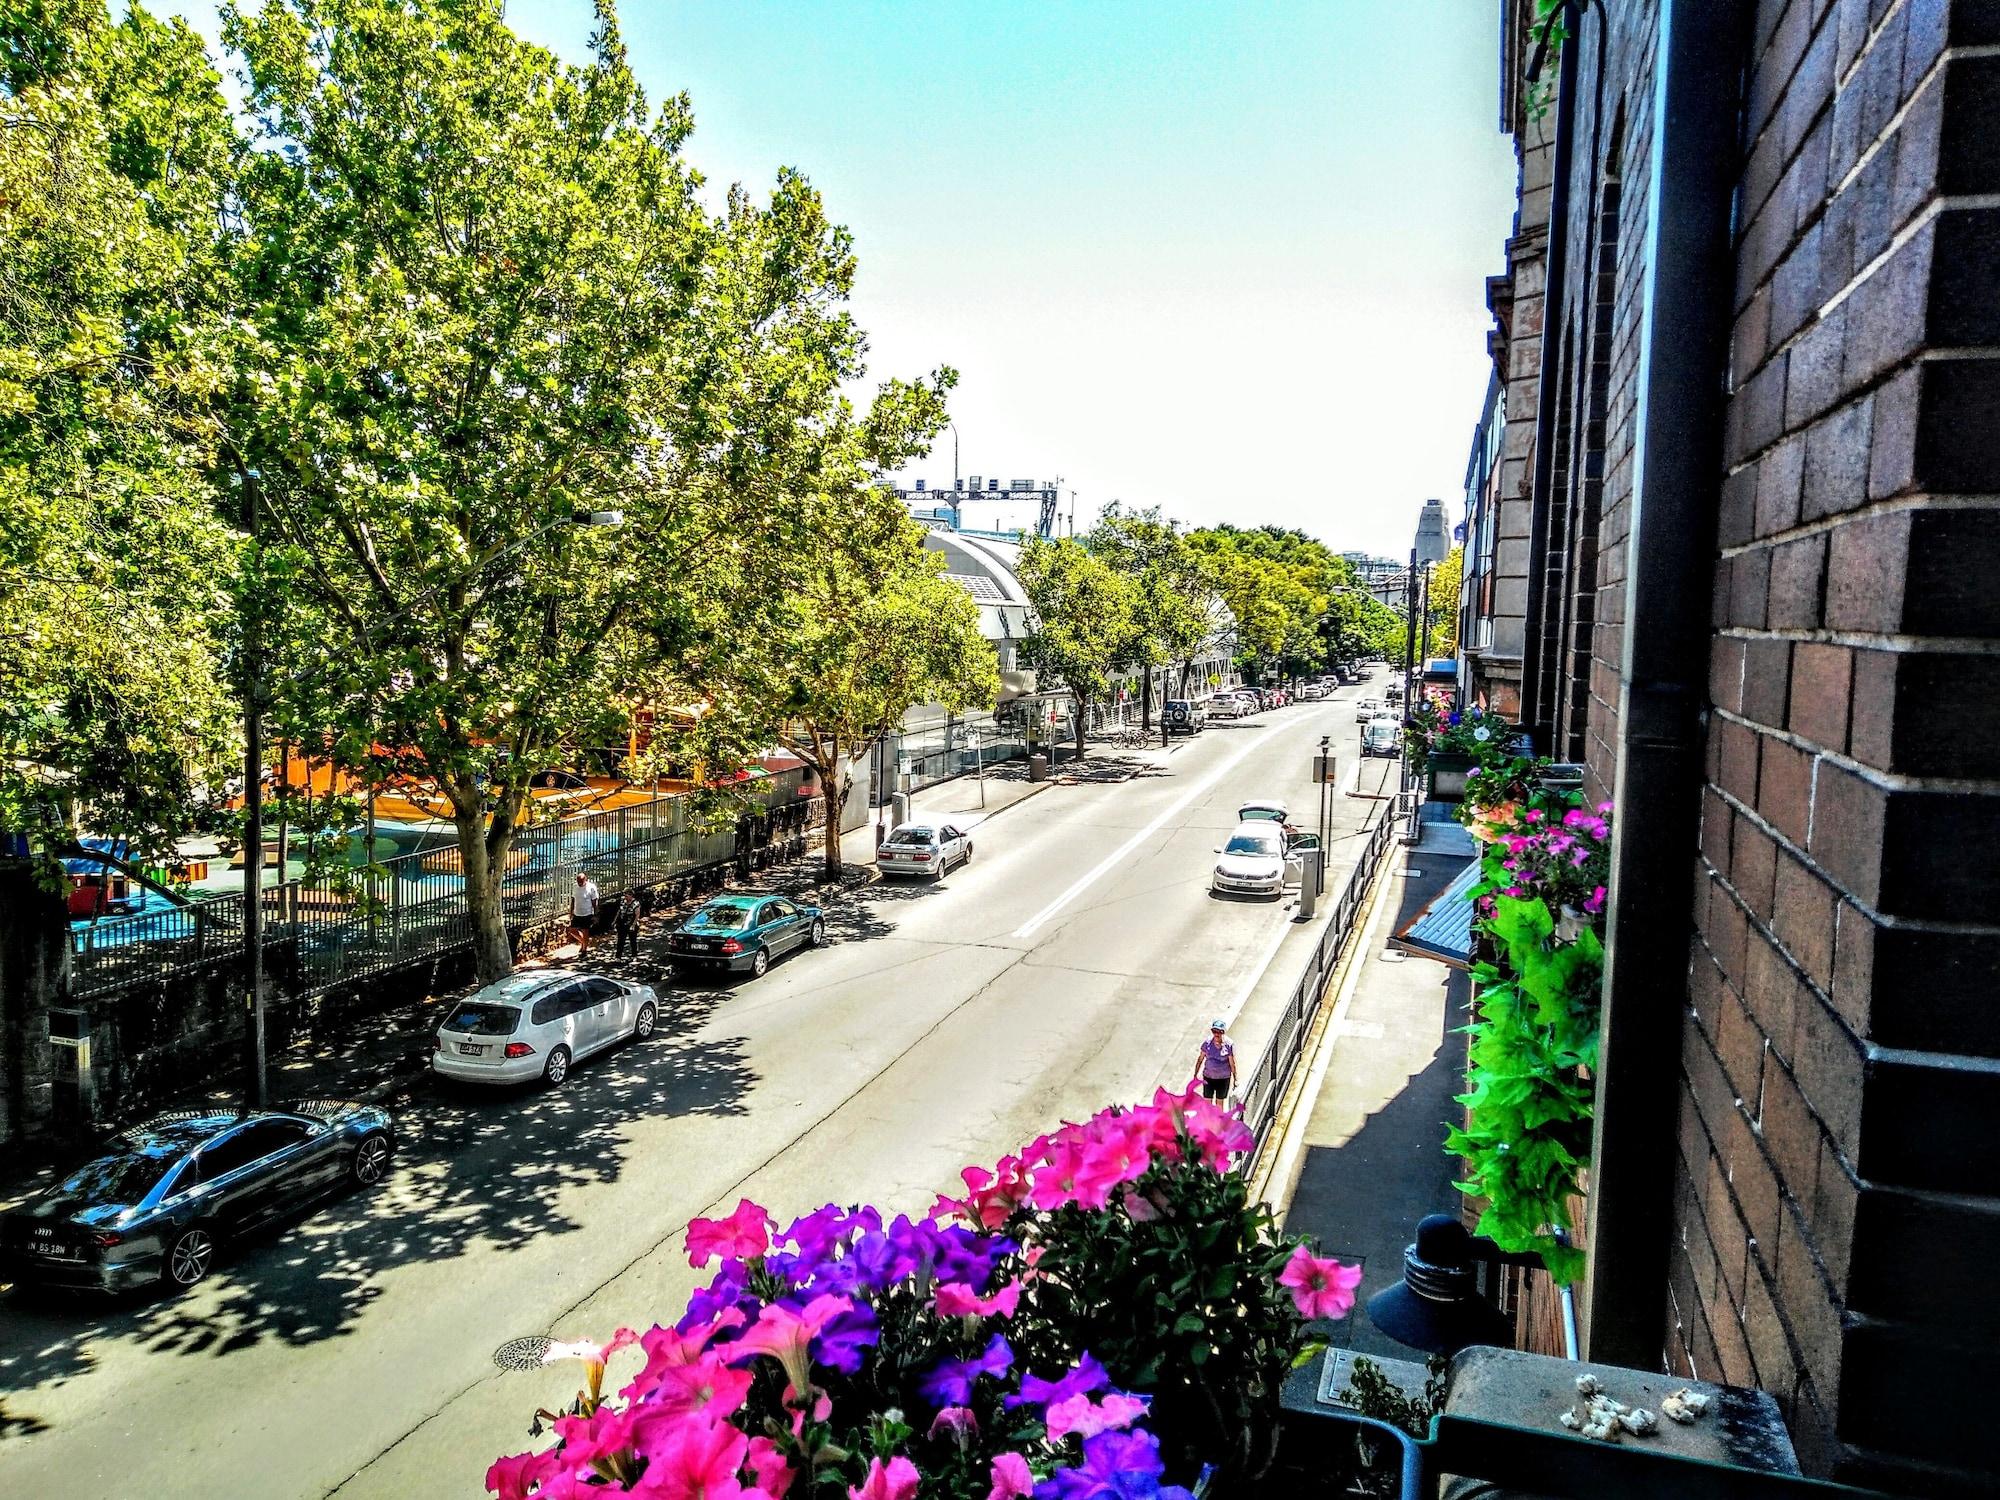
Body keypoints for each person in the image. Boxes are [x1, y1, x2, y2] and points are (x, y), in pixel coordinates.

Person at [1195, 1019, 1236, 1102]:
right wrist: (1195, 1075)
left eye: (1219, 1032)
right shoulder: (1207, 1043)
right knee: (1207, 1102)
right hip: (1208, 1077)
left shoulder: (1229, 1045)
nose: (1216, 1034)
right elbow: (1200, 1059)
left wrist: (1235, 1079)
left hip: (1223, 1078)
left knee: (1219, 1103)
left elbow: (1232, 1063)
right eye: (1214, 1031)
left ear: (1223, 1032)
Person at [568, 872, 600, 954]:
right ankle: (584, 942)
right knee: (572, 930)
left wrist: (596, 914)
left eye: (581, 882)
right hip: (577, 912)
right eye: (578, 881)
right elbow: (573, 899)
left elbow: (594, 902)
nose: (579, 883)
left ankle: (584, 949)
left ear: (585, 879)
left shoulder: (591, 887)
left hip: (587, 913)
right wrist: (571, 911)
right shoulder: (575, 887)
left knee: (585, 931)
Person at [613, 889, 640, 959]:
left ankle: (634, 955)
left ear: (631, 895)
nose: (625, 897)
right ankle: (618, 957)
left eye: (627, 895)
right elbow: (619, 911)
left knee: (633, 940)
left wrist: (633, 925)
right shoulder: (623, 902)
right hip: (622, 924)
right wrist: (614, 921)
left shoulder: (636, 903)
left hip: (631, 923)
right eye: (624, 895)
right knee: (620, 941)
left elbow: (637, 915)